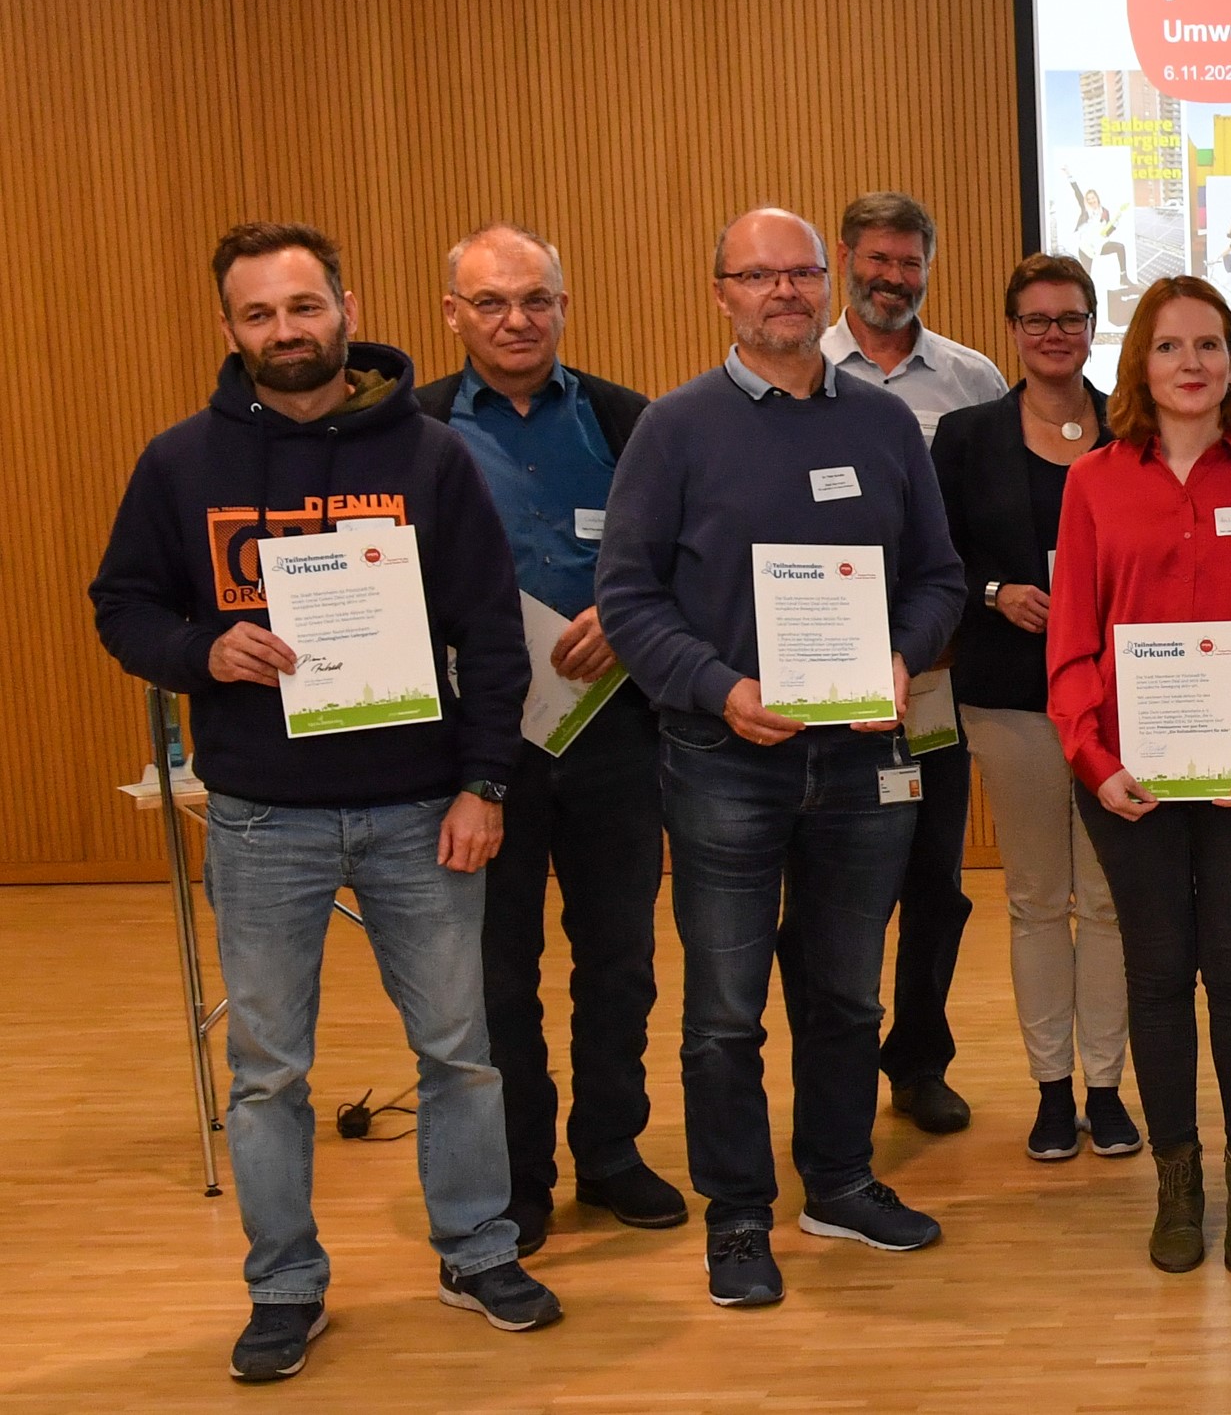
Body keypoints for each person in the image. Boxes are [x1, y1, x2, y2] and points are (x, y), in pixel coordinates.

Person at [92, 222, 556, 1380]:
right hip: (261, 817)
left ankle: (477, 1250)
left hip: (421, 811)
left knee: (460, 1052)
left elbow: (492, 634)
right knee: (268, 1072)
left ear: (346, 309)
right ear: (229, 328)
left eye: (304, 306)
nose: (285, 330)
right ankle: (285, 1284)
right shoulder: (179, 462)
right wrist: (203, 651)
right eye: (259, 313)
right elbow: (123, 606)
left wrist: (482, 783)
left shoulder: (431, 458)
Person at [596, 207, 968, 1308]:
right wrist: (721, 688)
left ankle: (839, 1183)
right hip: (726, 758)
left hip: (863, 760)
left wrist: (902, 655)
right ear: (722, 293)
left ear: (827, 282)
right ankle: (739, 1215)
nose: (784, 292)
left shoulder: (885, 425)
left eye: (800, 272)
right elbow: (628, 597)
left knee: (848, 995)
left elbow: (939, 576)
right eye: (759, 276)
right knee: (724, 1009)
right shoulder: (674, 427)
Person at [1049, 275, 1231, 1277]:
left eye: (1209, 343)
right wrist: (1094, 760)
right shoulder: (1093, 482)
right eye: (1169, 345)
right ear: (1140, 361)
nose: (1191, 363)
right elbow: (1072, 642)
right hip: (1127, 778)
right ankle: (1179, 1180)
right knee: (1160, 975)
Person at [423, 223, 685, 1252]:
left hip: (614, 731)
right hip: (480, 748)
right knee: (499, 974)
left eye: (536, 299)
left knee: (620, 959)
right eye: (491, 302)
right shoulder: (415, 430)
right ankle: (519, 1174)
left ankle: (610, 1153)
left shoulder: (629, 421)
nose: (516, 320)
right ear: (453, 314)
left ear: (564, 306)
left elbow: (682, 554)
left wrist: (626, 615)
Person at [932, 256, 1134, 1163]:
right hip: (1011, 693)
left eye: (1072, 318)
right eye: (1037, 320)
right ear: (1013, 331)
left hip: (1122, 700)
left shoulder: (1134, 428)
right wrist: (993, 591)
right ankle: (1053, 1089)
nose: (1056, 334)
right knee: (1036, 900)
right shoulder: (968, 435)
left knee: (1111, 902)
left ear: (1093, 327)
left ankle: (1108, 1086)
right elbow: (935, 554)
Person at [820, 193, 1008, 1140]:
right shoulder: (801, 370)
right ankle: (835, 1064)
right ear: (846, 257)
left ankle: (920, 1058)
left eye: (910, 263)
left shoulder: (973, 381)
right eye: (878, 259)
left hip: (935, 672)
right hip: (818, 677)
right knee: (829, 890)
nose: (893, 278)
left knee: (935, 878)